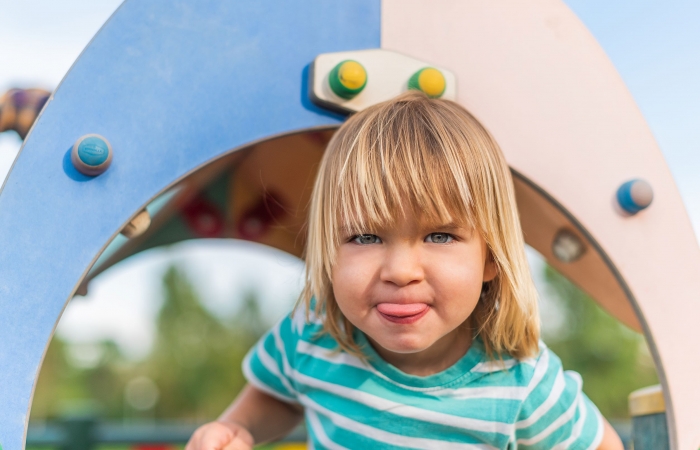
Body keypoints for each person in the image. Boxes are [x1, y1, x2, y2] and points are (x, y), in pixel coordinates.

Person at [186, 92, 624, 449]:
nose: (400, 271)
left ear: (491, 257)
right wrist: (239, 428)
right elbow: (278, 393)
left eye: (439, 237)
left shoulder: (519, 381)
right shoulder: (313, 333)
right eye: (365, 237)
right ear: (328, 252)